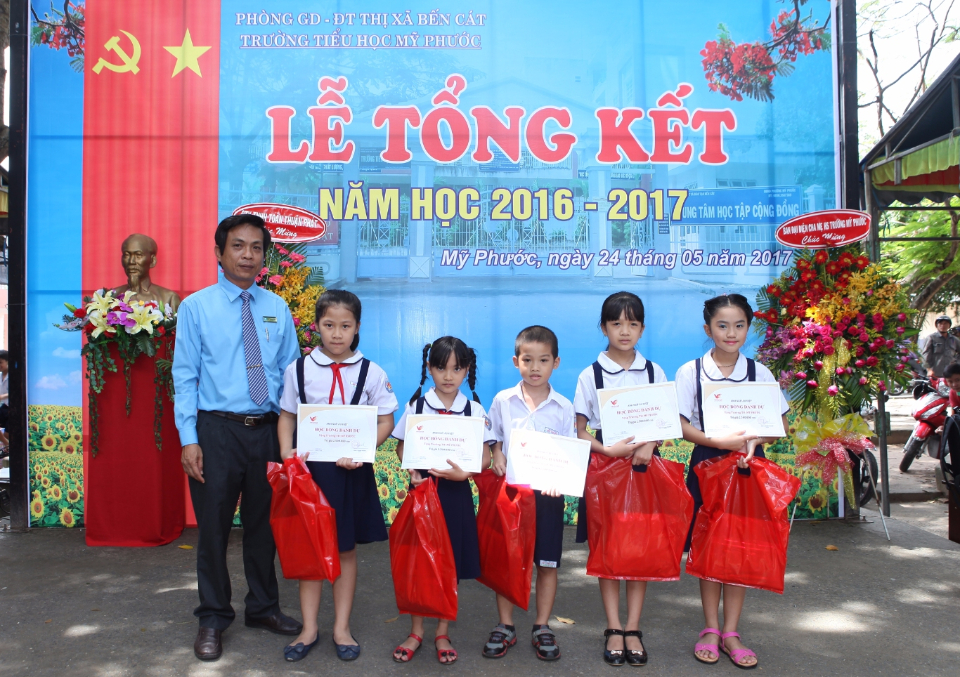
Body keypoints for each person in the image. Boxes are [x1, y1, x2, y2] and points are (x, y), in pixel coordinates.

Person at [173, 214, 304, 662]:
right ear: (219, 253)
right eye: (238, 246)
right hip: (217, 431)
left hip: (267, 431)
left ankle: (263, 608)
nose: (248, 255)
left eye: (256, 247)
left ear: (264, 256)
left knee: (264, 527)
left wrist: (291, 437)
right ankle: (212, 617)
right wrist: (189, 438)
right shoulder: (196, 308)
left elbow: (291, 374)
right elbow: (185, 377)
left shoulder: (276, 308)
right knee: (213, 529)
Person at [277, 289, 398, 663]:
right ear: (317, 325)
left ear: (357, 327)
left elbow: (386, 421)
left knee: (345, 550)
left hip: (351, 474)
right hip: (310, 475)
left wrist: (362, 450)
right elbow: (287, 417)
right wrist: (286, 453)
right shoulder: (298, 370)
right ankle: (309, 628)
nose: (337, 333)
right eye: (329, 325)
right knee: (311, 549)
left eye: (345, 326)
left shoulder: (372, 372)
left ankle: (341, 628)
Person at [674, 294, 789, 670]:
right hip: (709, 463)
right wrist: (718, 442)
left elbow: (780, 425)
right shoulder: (691, 371)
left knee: (740, 546)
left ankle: (731, 632)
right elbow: (681, 425)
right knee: (708, 546)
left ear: (748, 328)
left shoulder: (760, 373)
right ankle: (710, 627)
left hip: (749, 466)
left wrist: (755, 440)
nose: (731, 332)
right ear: (707, 329)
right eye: (722, 325)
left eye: (739, 325)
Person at [572, 292, 667, 667]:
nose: (624, 331)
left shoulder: (653, 372)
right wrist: (606, 450)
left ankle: (633, 628)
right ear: (603, 327)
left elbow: (664, 422)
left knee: (639, 548)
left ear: (642, 328)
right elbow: (580, 430)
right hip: (604, 469)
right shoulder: (590, 375)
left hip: (645, 468)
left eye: (632, 323)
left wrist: (651, 443)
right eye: (616, 323)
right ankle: (613, 626)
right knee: (608, 548)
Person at [390, 337, 495, 665]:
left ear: (466, 370)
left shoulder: (474, 409)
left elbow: (486, 456)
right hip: (423, 493)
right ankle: (416, 631)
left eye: (456, 368)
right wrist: (412, 471)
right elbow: (401, 447)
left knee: (450, 564)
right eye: (440, 368)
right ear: (429, 368)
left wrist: (466, 473)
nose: (448, 376)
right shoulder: (418, 407)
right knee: (419, 562)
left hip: (455, 496)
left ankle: (442, 632)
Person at [483, 325, 576, 662]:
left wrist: (559, 478)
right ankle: (505, 624)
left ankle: (542, 625)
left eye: (543, 360)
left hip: (548, 497)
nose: (535, 367)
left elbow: (569, 452)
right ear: (516, 361)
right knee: (509, 560)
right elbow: (493, 435)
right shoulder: (502, 401)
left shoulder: (563, 407)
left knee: (547, 563)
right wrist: (496, 453)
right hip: (512, 495)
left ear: (556, 363)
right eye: (527, 360)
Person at [0, 350, 9, 448]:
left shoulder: (14, 376)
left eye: (0, 362)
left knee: (7, 434)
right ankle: (7, 445)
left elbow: (16, 391)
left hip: (13, 408)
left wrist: (3, 396)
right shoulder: (0, 376)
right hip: (5, 406)